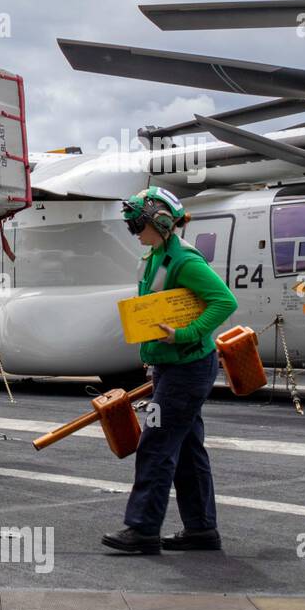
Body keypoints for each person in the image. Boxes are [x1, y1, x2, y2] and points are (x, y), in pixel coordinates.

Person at [102, 187, 238, 555]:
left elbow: (224, 301)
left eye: (137, 225)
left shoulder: (185, 261)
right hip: (172, 369)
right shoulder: (156, 257)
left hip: (187, 369)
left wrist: (186, 334)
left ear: (160, 222)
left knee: (156, 445)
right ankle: (201, 530)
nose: (134, 232)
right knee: (189, 451)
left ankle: (143, 530)